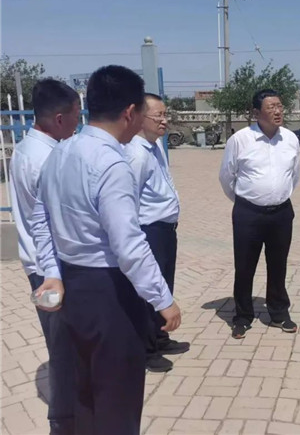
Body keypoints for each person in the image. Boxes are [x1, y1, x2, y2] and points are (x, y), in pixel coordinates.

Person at [31, 65, 182, 435]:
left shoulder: (61, 152)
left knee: (85, 391)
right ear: (130, 112)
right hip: (110, 292)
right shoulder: (112, 163)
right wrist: (163, 299)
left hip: (72, 287)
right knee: (118, 396)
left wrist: (52, 271)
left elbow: (39, 220)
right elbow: (128, 245)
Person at [9, 79, 80, 435]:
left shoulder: (24, 149)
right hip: (54, 270)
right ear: (59, 118)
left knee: (61, 345)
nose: (79, 124)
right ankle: (63, 423)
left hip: (38, 266)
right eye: (76, 116)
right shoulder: (49, 158)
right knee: (66, 351)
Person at [219, 89, 300, 339]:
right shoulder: (240, 140)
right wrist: (246, 202)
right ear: (256, 113)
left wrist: (277, 195)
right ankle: (243, 316)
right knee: (245, 266)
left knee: (278, 265)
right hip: (248, 214)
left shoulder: (290, 139)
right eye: (271, 107)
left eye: (280, 106)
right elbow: (226, 177)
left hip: (281, 213)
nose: (277, 111)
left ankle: (278, 313)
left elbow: (294, 175)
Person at [124, 93, 189, 373]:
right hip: (149, 231)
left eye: (165, 114)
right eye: (158, 116)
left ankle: (160, 336)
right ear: (139, 117)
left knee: (164, 285)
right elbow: (129, 201)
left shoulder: (156, 146)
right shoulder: (136, 155)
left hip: (165, 229)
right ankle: (146, 349)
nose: (164, 120)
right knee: (149, 289)